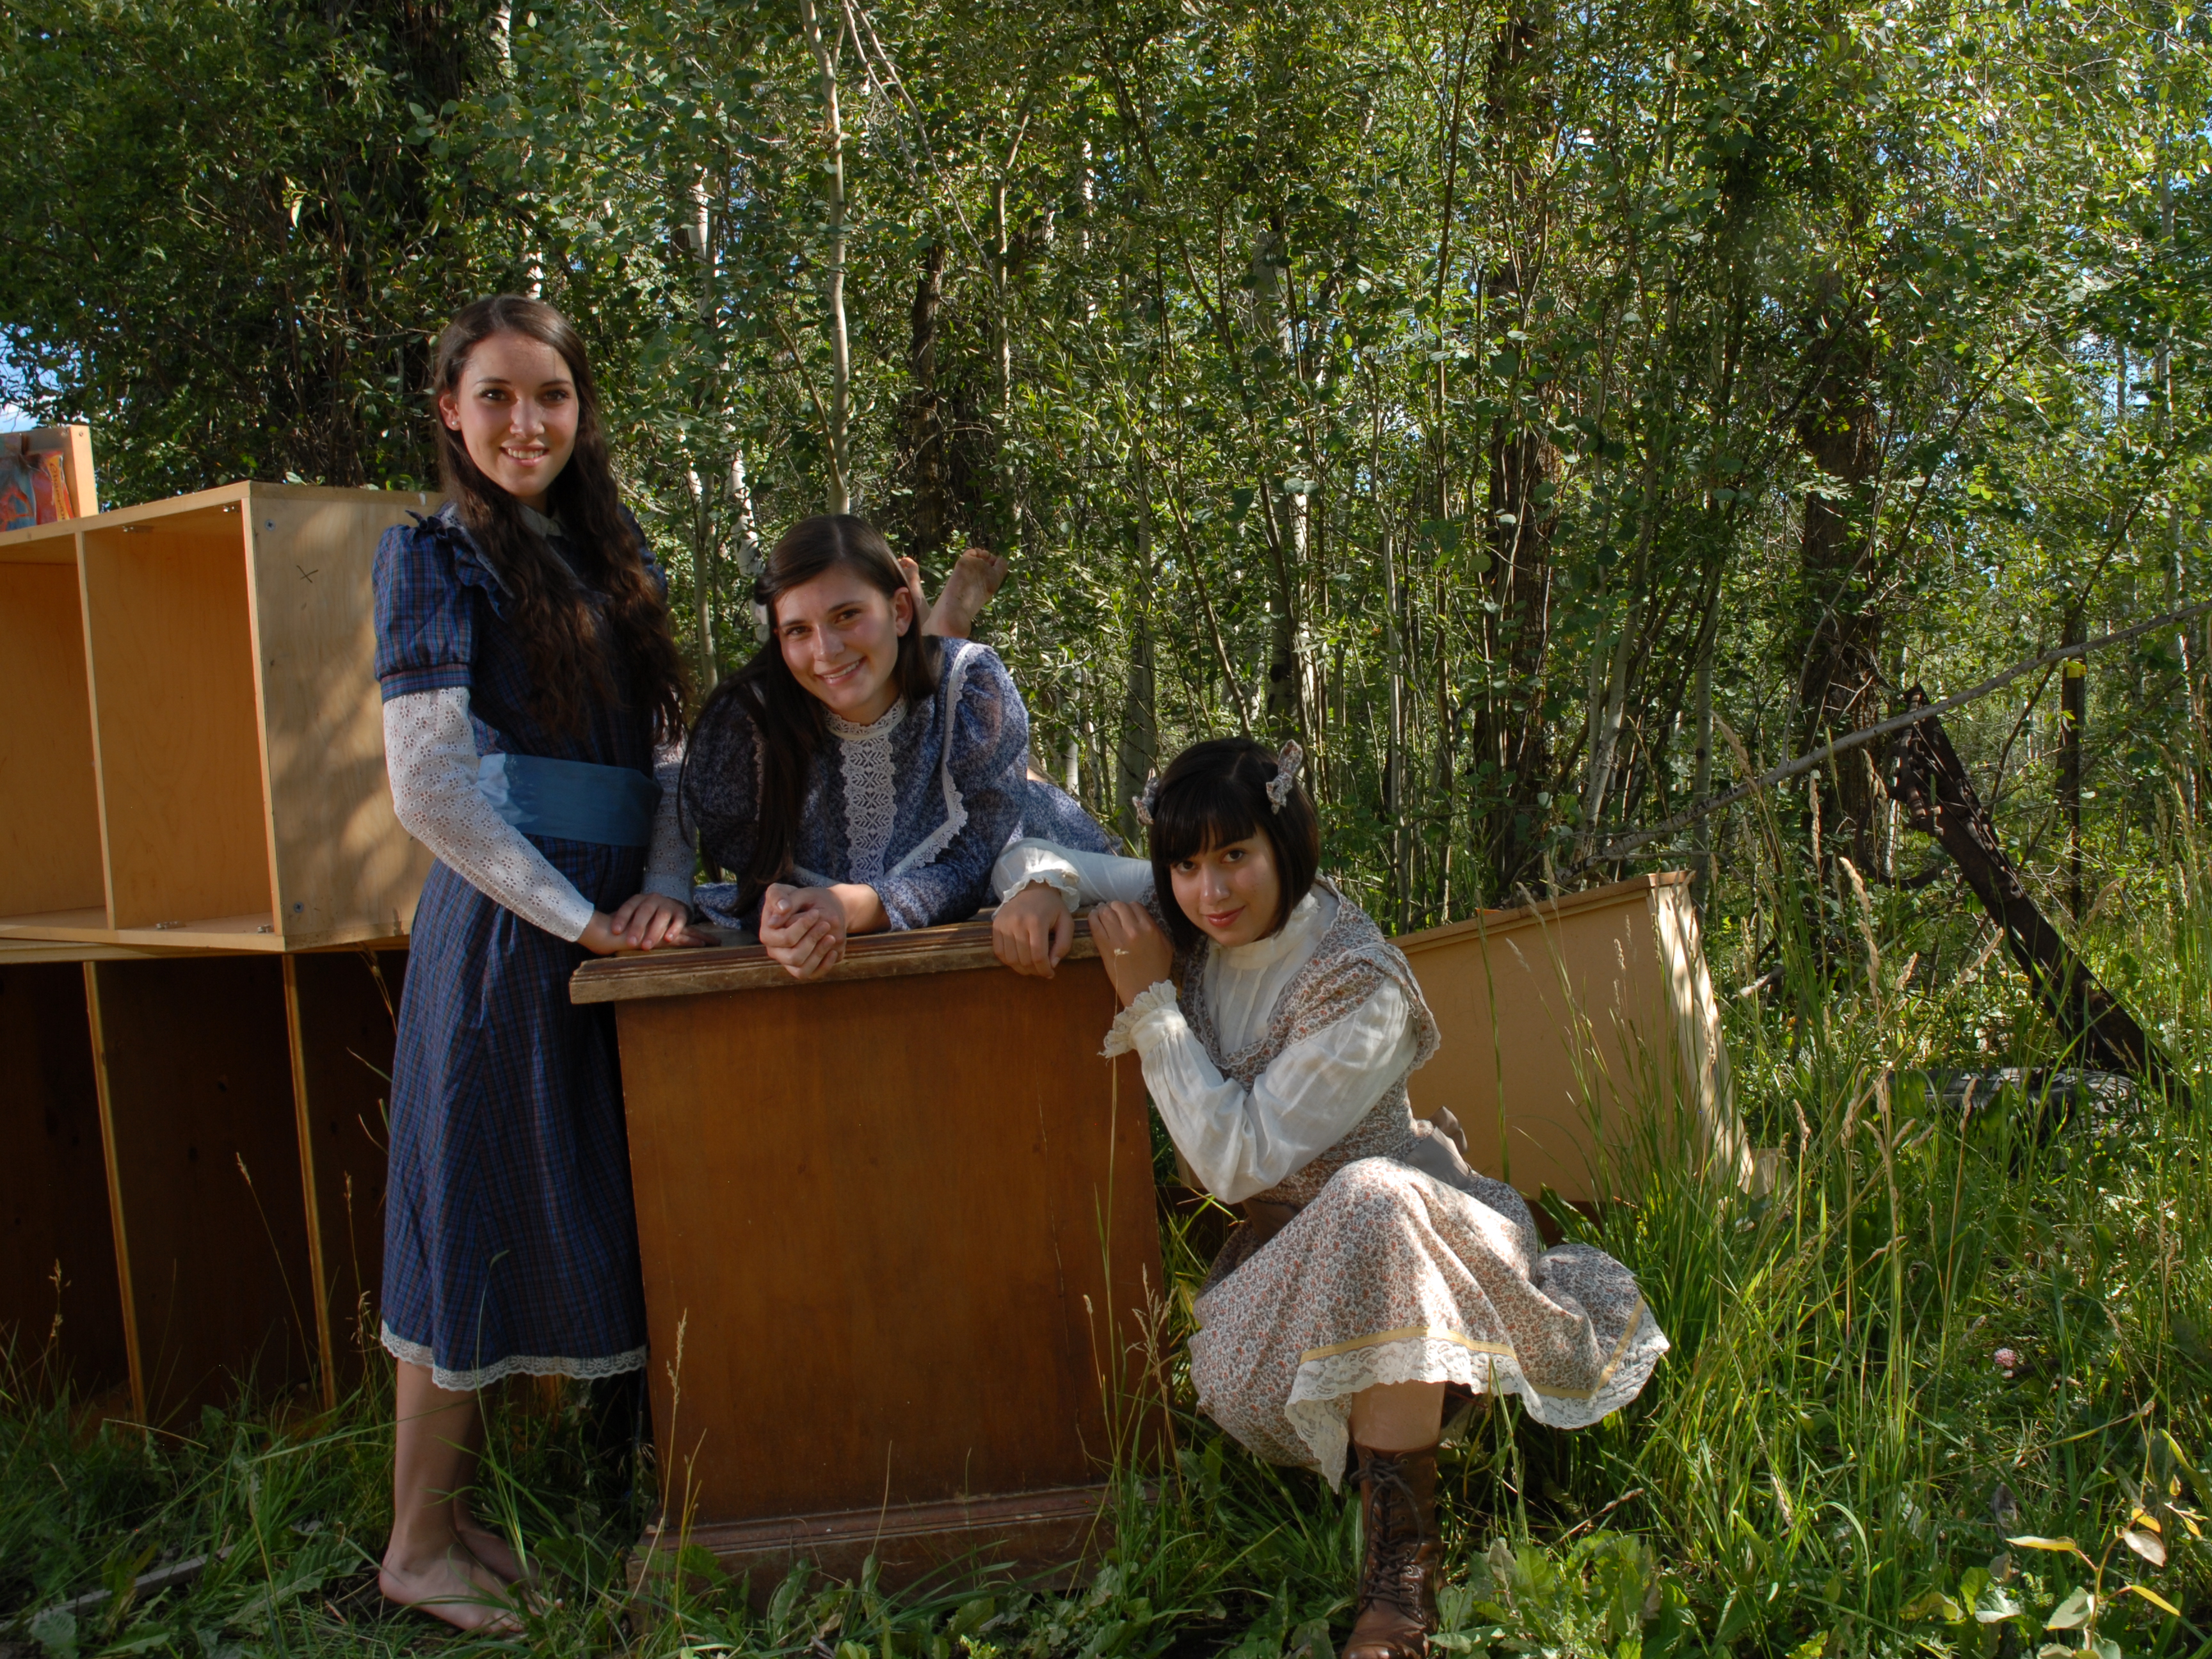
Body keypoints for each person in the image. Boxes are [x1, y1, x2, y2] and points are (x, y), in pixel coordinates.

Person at [988, 739, 1667, 1659]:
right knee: (1322, 1251)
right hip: (1279, 1252)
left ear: (1287, 843)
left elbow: (1237, 1160)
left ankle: (1400, 1582)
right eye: (1185, 865)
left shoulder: (1361, 982)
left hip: (1419, 1233)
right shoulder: (1193, 918)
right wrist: (1040, 891)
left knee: (1370, 1200)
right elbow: (1031, 849)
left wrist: (1153, 1005)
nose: (1209, 891)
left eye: (1236, 857)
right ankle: (1360, 1436)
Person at [373, 296, 701, 1629]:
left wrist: (668, 889)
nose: (527, 422)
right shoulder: (435, 561)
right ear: (449, 411)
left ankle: (459, 1524)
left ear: (581, 410)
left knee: (594, 1196)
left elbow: (668, 763)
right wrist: (579, 917)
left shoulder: (612, 562)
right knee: (471, 1216)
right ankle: (414, 1543)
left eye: (551, 396)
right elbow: (431, 790)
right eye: (496, 396)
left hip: (622, 925)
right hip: (513, 932)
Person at [662, 514, 1110, 977]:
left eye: (846, 616)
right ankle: (945, 618)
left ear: (898, 612)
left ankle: (946, 621)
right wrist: (780, 918)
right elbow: (755, 883)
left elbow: (974, 864)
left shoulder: (972, 689)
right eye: (798, 630)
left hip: (1025, 856)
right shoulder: (745, 725)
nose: (825, 650)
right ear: (778, 638)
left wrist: (852, 907)